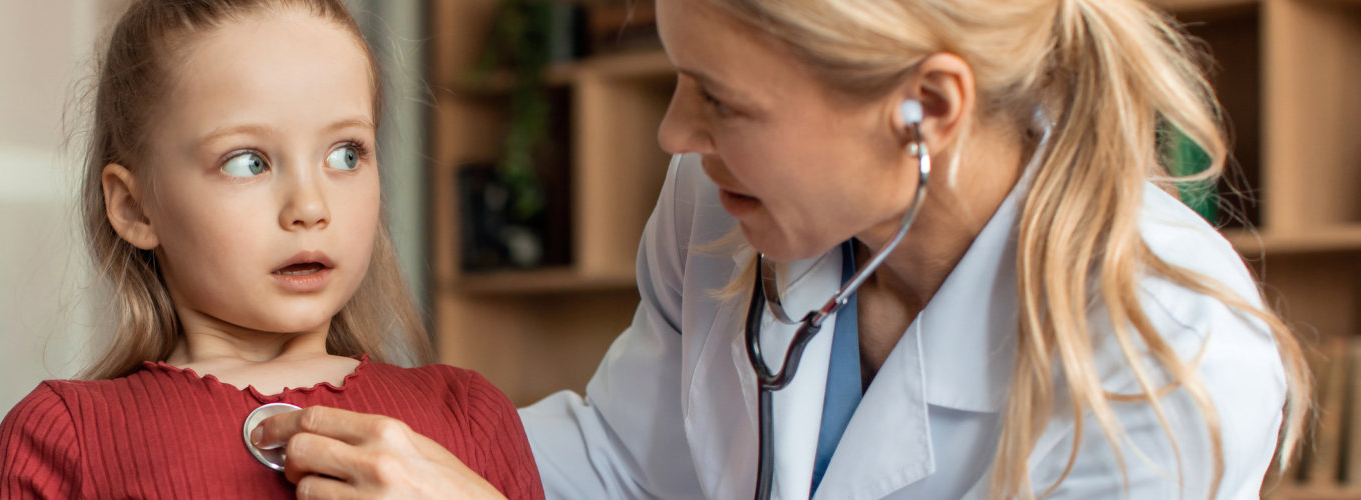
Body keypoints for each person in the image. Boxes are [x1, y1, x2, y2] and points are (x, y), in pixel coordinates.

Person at [251, 0, 1309, 498]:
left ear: (925, 107)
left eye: (720, 98)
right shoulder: (720, 200)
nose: (675, 134)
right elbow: (631, 460)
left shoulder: (1173, 350)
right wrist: (379, 440)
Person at [0, 1, 543, 498]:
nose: (310, 206)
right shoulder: (62, 435)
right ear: (134, 208)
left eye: (346, 154)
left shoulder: (470, 416)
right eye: (248, 162)